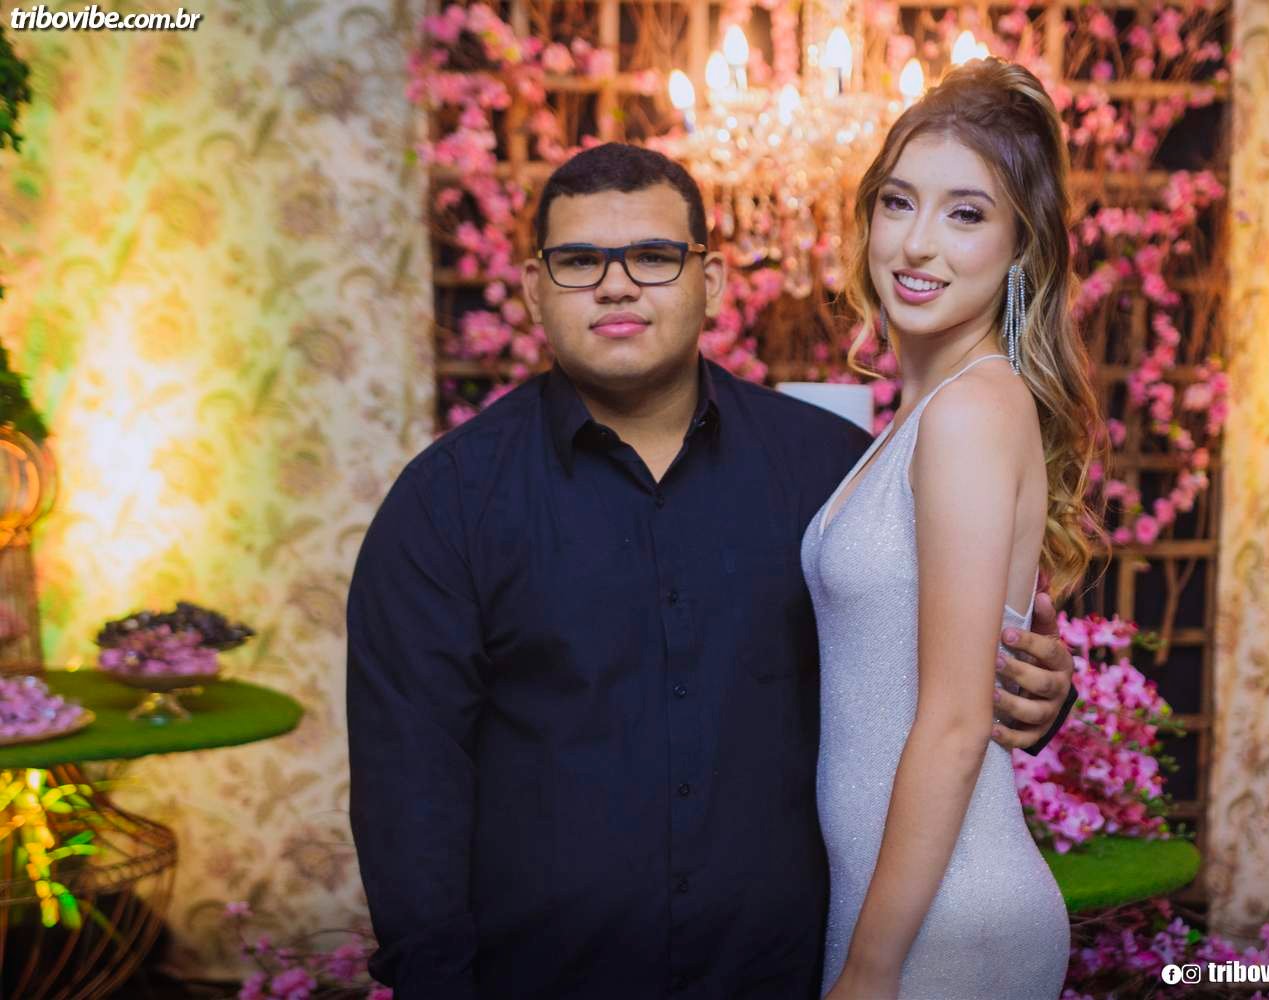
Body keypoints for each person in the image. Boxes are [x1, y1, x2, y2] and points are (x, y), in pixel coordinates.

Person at [346, 140, 1080, 1000]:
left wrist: (1036, 689)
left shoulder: (828, 474)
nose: (617, 286)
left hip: (789, 975)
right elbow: (408, 791)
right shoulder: (446, 505)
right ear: (534, 289)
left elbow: (913, 667)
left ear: (714, 280)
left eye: (654, 256)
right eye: (579, 262)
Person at [806, 59, 1103, 1000]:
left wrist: (870, 968)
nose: (917, 243)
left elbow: (956, 718)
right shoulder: (926, 414)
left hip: (943, 920)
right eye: (898, 203)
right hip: (899, 906)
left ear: (1022, 249)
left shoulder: (974, 409)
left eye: (966, 214)